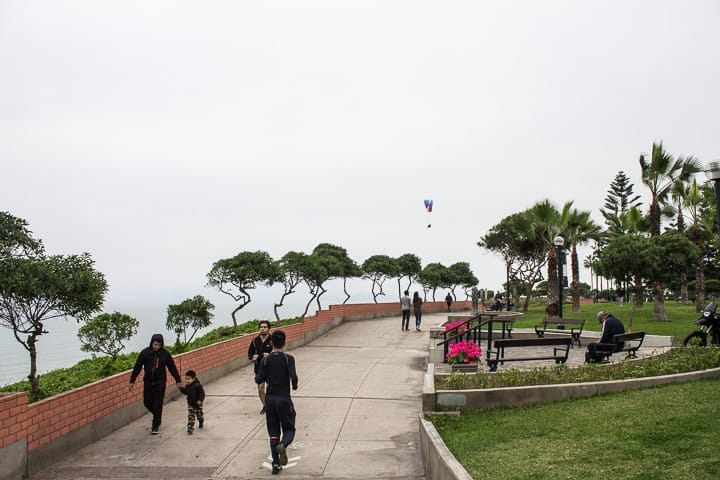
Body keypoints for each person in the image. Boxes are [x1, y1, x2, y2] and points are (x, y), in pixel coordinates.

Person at [256, 330, 298, 475]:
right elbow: (294, 377)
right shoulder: (288, 359)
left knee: (273, 433)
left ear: (271, 343)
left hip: (270, 400)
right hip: (284, 399)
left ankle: (275, 464)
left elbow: (258, 379)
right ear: (284, 343)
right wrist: (294, 386)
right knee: (289, 428)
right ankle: (283, 444)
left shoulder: (265, 360)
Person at [129, 334, 181, 434]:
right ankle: (158, 416)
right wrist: (132, 381)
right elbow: (137, 367)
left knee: (158, 404)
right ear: (152, 343)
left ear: (162, 345)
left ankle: (155, 425)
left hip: (160, 382)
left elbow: (172, 368)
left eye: (158, 345)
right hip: (148, 381)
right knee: (147, 402)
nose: (156, 347)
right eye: (155, 344)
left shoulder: (165, 354)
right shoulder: (145, 353)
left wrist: (177, 380)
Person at [248, 320, 273, 414]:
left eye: (265, 327)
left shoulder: (272, 340)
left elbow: (279, 351)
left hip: (271, 368)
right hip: (259, 368)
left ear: (268, 329)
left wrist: (270, 355)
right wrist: (252, 357)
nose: (263, 329)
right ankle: (265, 405)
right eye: (261, 327)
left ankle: (272, 405)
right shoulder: (255, 340)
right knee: (260, 388)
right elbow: (250, 352)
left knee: (271, 388)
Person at [179, 370, 205, 435]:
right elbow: (186, 392)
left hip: (198, 404)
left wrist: (200, 400)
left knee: (199, 415)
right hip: (190, 404)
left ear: (193, 379)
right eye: (186, 379)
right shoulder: (187, 386)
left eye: (188, 379)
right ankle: (190, 427)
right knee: (191, 416)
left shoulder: (198, 385)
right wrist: (181, 388)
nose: (187, 381)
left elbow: (202, 394)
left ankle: (201, 421)